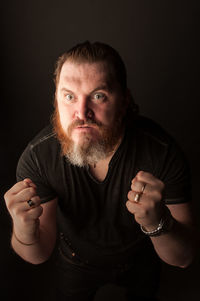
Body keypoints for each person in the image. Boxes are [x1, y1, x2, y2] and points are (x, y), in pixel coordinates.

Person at [4, 41, 197, 301]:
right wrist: (23, 229)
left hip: (141, 258)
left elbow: (183, 258)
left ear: (124, 101)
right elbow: (37, 254)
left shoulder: (161, 152)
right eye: (69, 96)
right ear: (56, 99)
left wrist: (157, 223)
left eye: (98, 96)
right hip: (74, 260)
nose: (82, 113)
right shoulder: (37, 158)